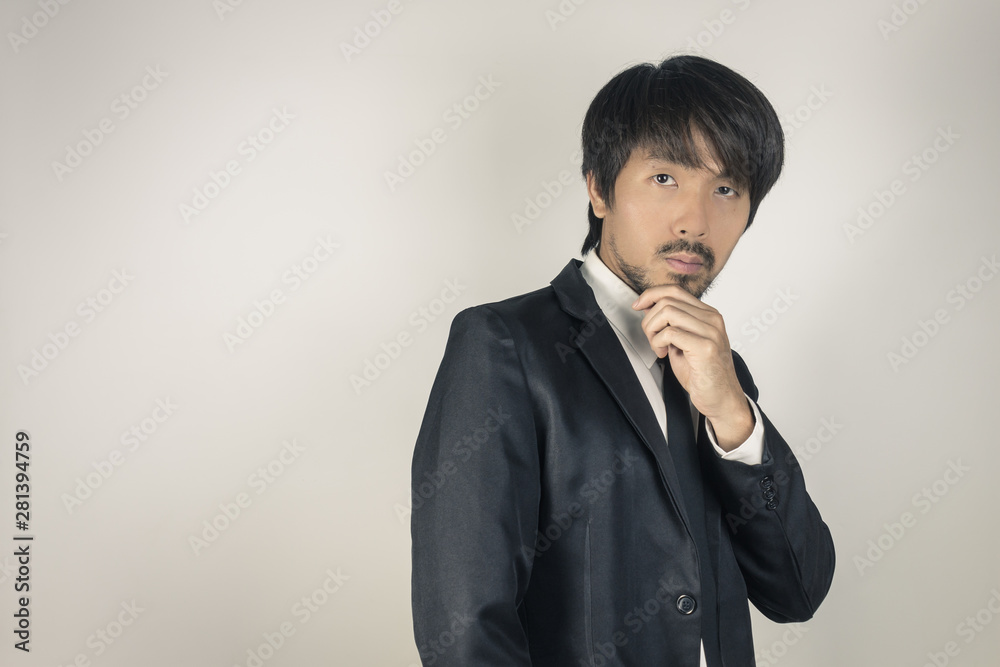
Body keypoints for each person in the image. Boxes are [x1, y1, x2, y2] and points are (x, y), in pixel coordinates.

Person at [410, 54, 835, 666]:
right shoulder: (505, 344)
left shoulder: (719, 371)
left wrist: (733, 418)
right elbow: (466, 626)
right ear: (599, 188)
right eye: (665, 178)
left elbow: (797, 590)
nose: (695, 221)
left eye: (726, 189)